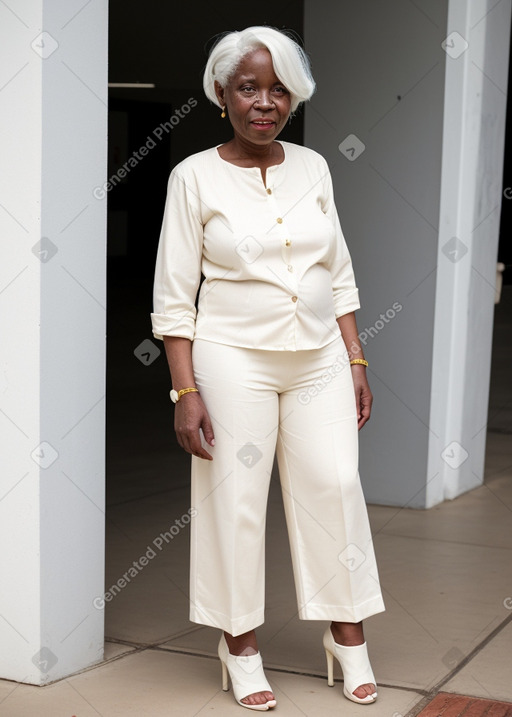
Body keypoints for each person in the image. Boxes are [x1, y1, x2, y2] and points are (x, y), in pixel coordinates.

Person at [151, 25, 385, 712]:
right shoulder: (192, 176)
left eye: (278, 87)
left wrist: (356, 357)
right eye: (249, 86)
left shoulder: (313, 167)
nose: (264, 100)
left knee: (337, 484)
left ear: (295, 96)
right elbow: (174, 296)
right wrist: (185, 389)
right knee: (235, 498)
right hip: (230, 362)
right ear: (222, 94)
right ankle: (241, 644)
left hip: (319, 359)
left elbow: (337, 272)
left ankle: (348, 635)